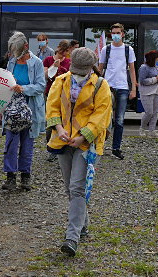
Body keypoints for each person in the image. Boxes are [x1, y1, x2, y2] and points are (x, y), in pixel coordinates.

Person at [46, 47, 112, 257]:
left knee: (77, 188)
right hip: (63, 140)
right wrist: (59, 129)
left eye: (82, 71)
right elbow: (52, 107)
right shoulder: (61, 81)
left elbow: (101, 115)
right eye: (75, 70)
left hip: (87, 144)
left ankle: (71, 238)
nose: (77, 75)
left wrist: (83, 135)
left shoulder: (101, 86)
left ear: (91, 68)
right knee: (70, 188)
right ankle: (83, 224)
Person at [2, 32, 46, 191]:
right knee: (11, 143)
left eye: (18, 50)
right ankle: (10, 176)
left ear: (26, 46)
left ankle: (25, 176)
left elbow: (41, 86)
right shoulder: (12, 61)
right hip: (12, 110)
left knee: (27, 144)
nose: (15, 55)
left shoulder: (37, 63)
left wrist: (24, 89)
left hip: (30, 110)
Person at [97, 23, 137, 160]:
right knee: (104, 118)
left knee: (119, 119)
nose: (115, 35)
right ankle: (99, 145)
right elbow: (100, 68)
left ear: (123, 34)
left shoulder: (128, 49)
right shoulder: (105, 49)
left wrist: (134, 88)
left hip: (123, 87)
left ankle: (116, 148)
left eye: (118, 32)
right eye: (113, 33)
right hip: (107, 87)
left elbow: (132, 69)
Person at [43, 41, 71, 162]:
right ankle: (51, 147)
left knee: (63, 122)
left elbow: (70, 76)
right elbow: (44, 75)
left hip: (64, 95)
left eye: (65, 52)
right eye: (61, 52)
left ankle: (62, 146)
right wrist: (53, 66)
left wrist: (62, 68)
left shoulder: (68, 62)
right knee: (50, 123)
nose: (63, 54)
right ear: (58, 49)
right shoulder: (48, 59)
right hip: (49, 93)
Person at [138, 50, 158, 138]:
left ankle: (152, 131)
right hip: (146, 92)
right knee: (149, 112)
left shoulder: (156, 67)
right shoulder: (144, 67)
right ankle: (142, 129)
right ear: (153, 58)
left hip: (157, 92)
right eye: (157, 57)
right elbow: (142, 81)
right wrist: (155, 79)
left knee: (155, 113)